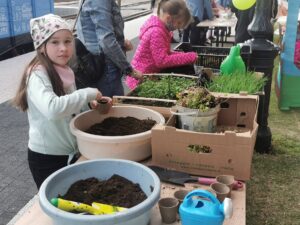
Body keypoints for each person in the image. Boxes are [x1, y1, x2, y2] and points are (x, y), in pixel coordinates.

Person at [11, 14, 111, 189]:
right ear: (41, 47)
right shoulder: (37, 74)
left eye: (68, 41)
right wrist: (87, 93)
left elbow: (69, 106)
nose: (63, 48)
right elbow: (53, 109)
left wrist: (89, 105)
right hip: (47, 157)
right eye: (55, 42)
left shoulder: (63, 69)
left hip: (69, 152)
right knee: (55, 203)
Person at [125, 0, 198, 90]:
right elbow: (162, 61)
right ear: (168, 18)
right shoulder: (157, 32)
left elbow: (165, 53)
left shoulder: (161, 29)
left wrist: (184, 55)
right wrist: (189, 57)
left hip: (148, 74)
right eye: (178, 23)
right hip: (141, 78)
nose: (179, 27)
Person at [76, 0, 143, 97]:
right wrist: (130, 70)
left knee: (105, 104)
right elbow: (106, 41)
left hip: (99, 62)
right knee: (113, 106)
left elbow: (91, 30)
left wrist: (121, 42)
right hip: (106, 65)